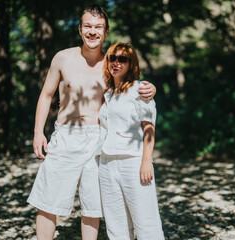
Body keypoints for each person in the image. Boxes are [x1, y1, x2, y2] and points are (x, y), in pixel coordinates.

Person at [27, 6, 156, 240]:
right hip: (65, 136)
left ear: (105, 32)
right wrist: (38, 132)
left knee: (93, 206)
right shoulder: (62, 58)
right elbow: (46, 95)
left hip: (98, 139)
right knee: (48, 201)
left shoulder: (111, 63)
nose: (92, 31)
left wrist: (151, 88)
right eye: (88, 26)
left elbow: (133, 84)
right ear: (80, 29)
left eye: (98, 27)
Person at [98, 42, 164, 240]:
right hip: (107, 163)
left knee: (145, 220)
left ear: (130, 64)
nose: (116, 62)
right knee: (115, 222)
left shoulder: (140, 90)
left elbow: (149, 128)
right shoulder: (107, 93)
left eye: (122, 59)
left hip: (133, 161)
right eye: (112, 58)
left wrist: (146, 161)